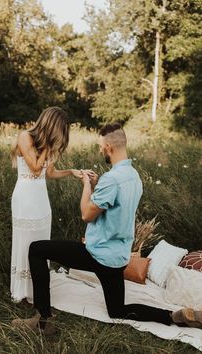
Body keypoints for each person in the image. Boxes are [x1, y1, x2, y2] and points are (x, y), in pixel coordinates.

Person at [12, 122, 202, 332]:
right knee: (117, 309)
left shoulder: (111, 180)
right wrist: (96, 186)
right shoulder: (134, 177)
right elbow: (114, 208)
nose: (100, 149)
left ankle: (43, 320)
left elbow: (86, 214)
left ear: (109, 147)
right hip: (118, 259)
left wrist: (86, 185)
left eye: (101, 145)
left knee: (37, 249)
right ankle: (174, 316)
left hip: (98, 256)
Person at [10, 107, 82, 304]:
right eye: (60, 130)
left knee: (41, 241)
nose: (61, 136)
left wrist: (70, 172)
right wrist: (48, 148)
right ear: (51, 126)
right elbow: (34, 169)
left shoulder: (47, 147)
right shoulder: (25, 136)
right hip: (25, 198)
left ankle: (37, 287)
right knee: (26, 241)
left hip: (41, 199)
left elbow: (49, 173)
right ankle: (22, 290)